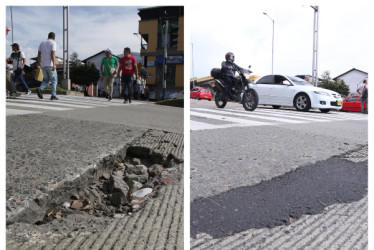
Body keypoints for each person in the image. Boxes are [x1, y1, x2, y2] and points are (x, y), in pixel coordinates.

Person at [37, 32, 58, 100]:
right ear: (54, 38)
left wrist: (40, 63)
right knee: (54, 80)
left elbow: (39, 54)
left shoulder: (42, 43)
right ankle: (53, 95)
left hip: (43, 65)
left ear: (48, 36)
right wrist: (54, 64)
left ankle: (40, 88)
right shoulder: (53, 43)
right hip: (50, 65)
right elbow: (53, 53)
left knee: (46, 80)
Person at [6, 26, 19, 98]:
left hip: (18, 68)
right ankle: (13, 92)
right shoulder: (12, 54)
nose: (7, 32)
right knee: (7, 75)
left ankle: (12, 91)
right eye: (6, 31)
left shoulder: (20, 53)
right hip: (14, 68)